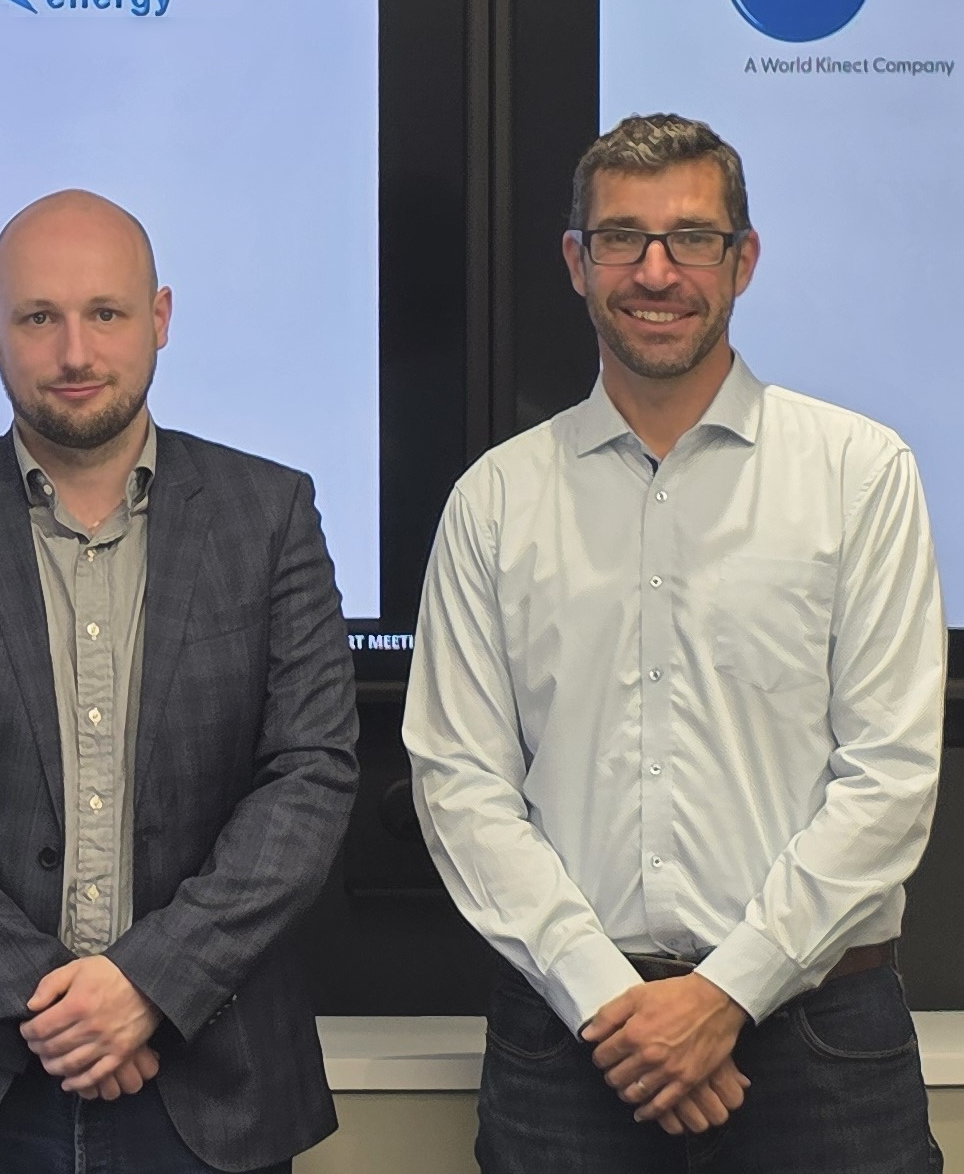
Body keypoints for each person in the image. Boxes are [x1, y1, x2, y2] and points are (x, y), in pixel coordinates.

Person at [404, 113, 945, 1172]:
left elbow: (889, 775)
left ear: (742, 259)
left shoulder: (859, 475)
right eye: (622, 237)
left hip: (820, 1044)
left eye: (692, 237)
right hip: (571, 1044)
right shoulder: (494, 502)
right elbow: (458, 785)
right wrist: (611, 1000)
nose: (656, 272)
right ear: (576, 261)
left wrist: (723, 993)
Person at [0, 189, 359, 1174]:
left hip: (211, 1083)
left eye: (104, 313)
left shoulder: (270, 514)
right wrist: (54, 1007)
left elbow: (309, 777)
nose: (74, 351)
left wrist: (149, 985)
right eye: (39, 317)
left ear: (158, 317)